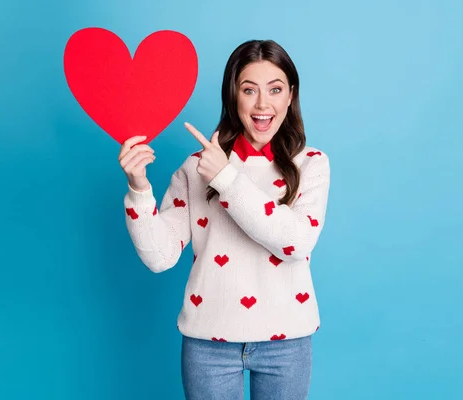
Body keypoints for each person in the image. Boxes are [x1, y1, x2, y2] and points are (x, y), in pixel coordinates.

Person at [117, 39, 330, 400]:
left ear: (290, 95)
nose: (263, 104)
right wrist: (139, 188)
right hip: (208, 345)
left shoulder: (311, 164)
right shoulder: (195, 167)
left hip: (287, 342)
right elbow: (159, 256)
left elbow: (296, 242)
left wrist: (227, 178)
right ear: (233, 96)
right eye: (249, 90)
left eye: (275, 89)